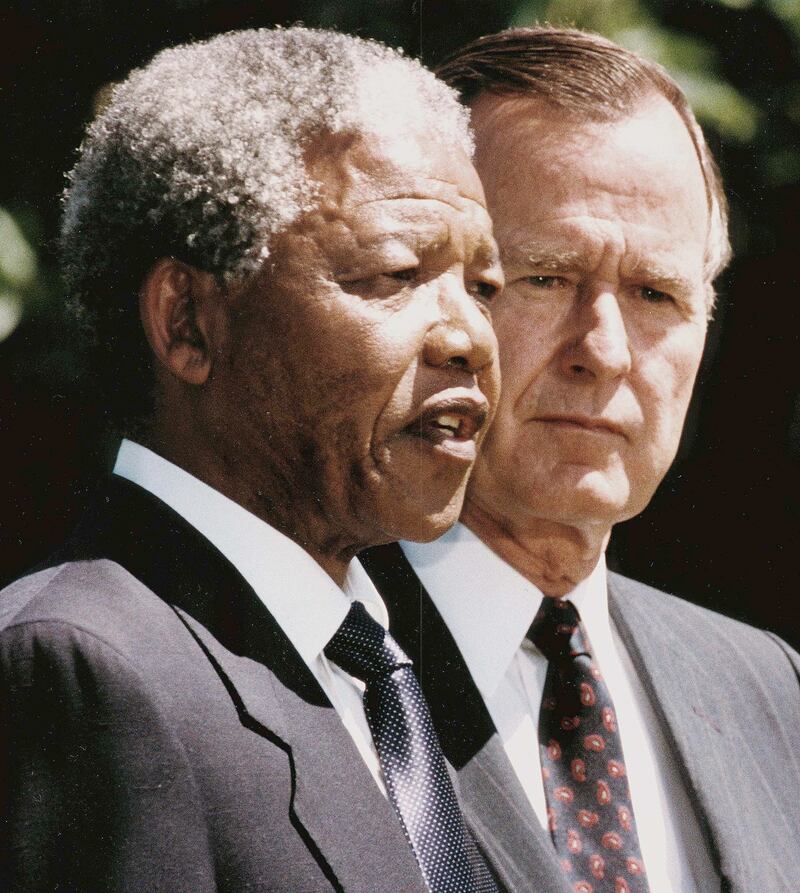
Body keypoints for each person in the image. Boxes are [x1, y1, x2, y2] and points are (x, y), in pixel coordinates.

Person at [0, 27, 509, 893]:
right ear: (188, 322)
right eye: (393, 273)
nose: (468, 336)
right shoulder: (84, 666)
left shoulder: (397, 672)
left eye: (483, 285)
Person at [363, 27, 800, 893]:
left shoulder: (769, 691)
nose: (601, 350)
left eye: (655, 293)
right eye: (546, 277)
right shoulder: (292, 657)